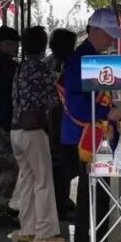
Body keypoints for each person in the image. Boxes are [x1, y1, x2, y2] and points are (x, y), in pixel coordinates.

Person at [61, 9, 121, 242]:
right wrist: (107, 113)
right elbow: (75, 103)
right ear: (95, 31)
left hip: (92, 137)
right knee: (96, 200)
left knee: (90, 199)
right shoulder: (81, 60)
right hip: (87, 140)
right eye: (109, 35)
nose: (112, 40)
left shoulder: (91, 58)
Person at [10, 26, 60, 242]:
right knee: (43, 181)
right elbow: (54, 99)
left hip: (16, 131)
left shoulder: (20, 68)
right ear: (43, 46)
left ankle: (28, 229)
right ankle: (45, 232)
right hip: (34, 131)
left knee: (27, 179)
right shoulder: (42, 69)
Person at [0, 26, 22, 228]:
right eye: (13, 43)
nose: (16, 47)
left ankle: (2, 205)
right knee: (5, 168)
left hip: (1, 123)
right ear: (2, 44)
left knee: (5, 167)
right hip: (1, 125)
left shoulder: (3, 64)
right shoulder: (2, 67)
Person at [46, 29, 78, 221]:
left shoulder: (52, 63)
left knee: (65, 163)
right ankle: (60, 205)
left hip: (62, 120)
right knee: (61, 163)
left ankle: (62, 201)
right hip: (58, 120)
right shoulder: (56, 66)